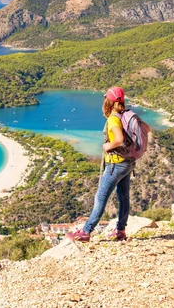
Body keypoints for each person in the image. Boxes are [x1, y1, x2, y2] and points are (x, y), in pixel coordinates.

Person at [66, 86, 150, 242]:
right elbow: (147, 128)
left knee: (101, 198)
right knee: (123, 198)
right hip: (128, 163)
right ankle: (120, 231)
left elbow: (117, 139)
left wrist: (108, 146)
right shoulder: (128, 115)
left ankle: (86, 232)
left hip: (115, 165)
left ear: (108, 101)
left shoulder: (113, 118)